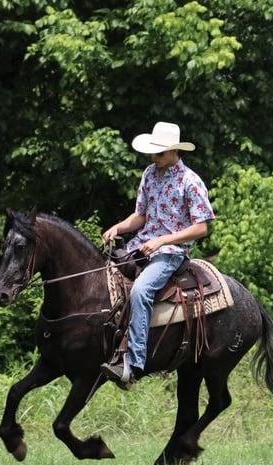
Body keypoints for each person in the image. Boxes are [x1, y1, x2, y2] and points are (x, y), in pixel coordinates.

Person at [100, 121, 215, 389]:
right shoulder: (150, 174)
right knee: (104, 277)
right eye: (154, 152)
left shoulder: (191, 181)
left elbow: (201, 227)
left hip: (171, 253)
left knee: (140, 290)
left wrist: (163, 240)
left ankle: (134, 364)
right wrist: (118, 226)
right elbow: (140, 216)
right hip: (141, 245)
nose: (155, 157)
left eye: (160, 152)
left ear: (175, 151)